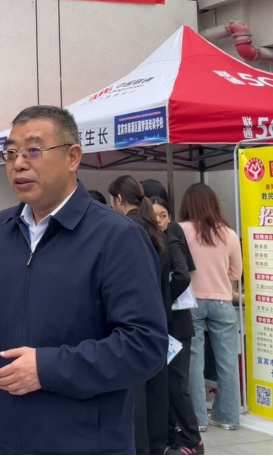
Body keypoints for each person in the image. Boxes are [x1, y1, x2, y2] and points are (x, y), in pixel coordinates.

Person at [0, 105, 167, 455]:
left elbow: (145, 345)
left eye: (33, 150)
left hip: (86, 442)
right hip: (10, 436)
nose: (18, 164)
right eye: (11, 153)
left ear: (72, 157)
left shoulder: (116, 236)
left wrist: (48, 368)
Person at [109, 176, 189, 455]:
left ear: (119, 199)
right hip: (159, 319)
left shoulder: (124, 229)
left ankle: (141, 447)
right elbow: (175, 277)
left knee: (136, 391)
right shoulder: (156, 231)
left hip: (132, 318)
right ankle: (157, 445)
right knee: (157, 386)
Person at [180, 183, 242, 432]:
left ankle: (198, 419)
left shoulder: (181, 230)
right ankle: (227, 416)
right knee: (227, 360)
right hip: (222, 301)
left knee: (194, 361)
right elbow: (236, 272)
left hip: (191, 301)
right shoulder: (228, 233)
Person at [150, 195, 204, 455]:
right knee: (168, 382)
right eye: (155, 215)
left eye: (163, 215)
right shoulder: (158, 241)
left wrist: (164, 299)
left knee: (176, 383)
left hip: (178, 324)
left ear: (170, 217)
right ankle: (174, 435)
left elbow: (182, 276)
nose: (159, 220)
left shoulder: (171, 241)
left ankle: (193, 439)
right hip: (171, 323)